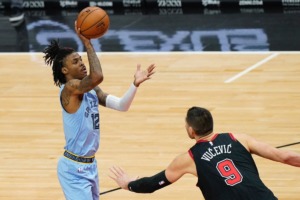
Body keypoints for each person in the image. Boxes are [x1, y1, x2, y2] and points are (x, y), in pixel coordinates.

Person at [43, 20, 156, 200]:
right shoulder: (70, 89)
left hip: (90, 165)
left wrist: (134, 85)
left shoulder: (91, 90)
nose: (81, 63)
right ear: (65, 70)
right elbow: (98, 76)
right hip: (73, 169)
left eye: (81, 59)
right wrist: (88, 43)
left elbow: (121, 106)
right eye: (75, 61)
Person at [109, 106, 300, 199]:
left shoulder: (188, 159)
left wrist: (129, 184)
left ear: (191, 131)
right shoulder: (239, 138)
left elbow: (152, 184)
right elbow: (287, 157)